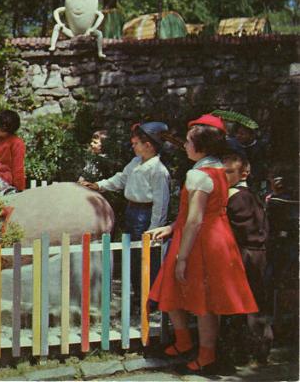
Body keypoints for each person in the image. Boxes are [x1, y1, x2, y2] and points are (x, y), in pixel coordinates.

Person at [147, 114, 258, 375]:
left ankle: (205, 354)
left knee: (205, 302)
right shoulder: (216, 169)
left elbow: (196, 219)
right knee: (175, 291)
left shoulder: (198, 176)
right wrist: (172, 227)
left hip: (201, 241)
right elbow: (192, 213)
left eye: (188, 141)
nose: (184, 145)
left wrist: (182, 257)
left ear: (201, 147)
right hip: (211, 236)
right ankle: (186, 342)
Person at [79, 122, 171, 304]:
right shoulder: (136, 162)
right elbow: (121, 178)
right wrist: (100, 185)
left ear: (148, 145)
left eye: (136, 143)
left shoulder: (158, 170)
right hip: (132, 210)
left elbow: (161, 203)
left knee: (145, 256)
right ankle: (138, 297)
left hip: (145, 214)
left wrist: (154, 228)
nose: (133, 146)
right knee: (132, 256)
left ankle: (150, 299)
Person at [221, 152, 273, 363]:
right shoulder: (250, 196)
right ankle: (254, 348)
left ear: (245, 172)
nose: (225, 176)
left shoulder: (237, 197)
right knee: (254, 302)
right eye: (223, 172)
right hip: (255, 253)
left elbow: (238, 230)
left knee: (242, 302)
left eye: (230, 172)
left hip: (245, 254)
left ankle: (244, 350)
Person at [0, 110, 26, 194]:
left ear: (4, 127)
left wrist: (19, 187)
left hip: (2, 181)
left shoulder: (16, 143)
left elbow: (18, 168)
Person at [232, 124, 267, 195]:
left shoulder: (260, 147)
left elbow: (262, 166)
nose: (238, 136)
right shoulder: (233, 145)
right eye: (237, 133)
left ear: (252, 136)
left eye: (242, 134)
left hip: (255, 180)